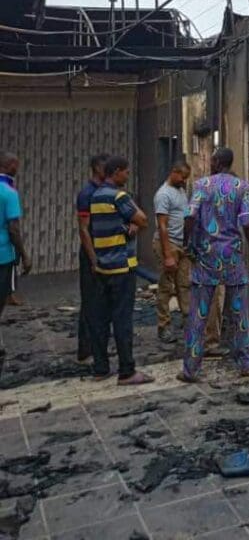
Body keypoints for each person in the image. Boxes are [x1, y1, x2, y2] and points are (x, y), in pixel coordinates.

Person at [178, 147, 249, 382]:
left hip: (205, 260)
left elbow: (190, 216)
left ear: (217, 162)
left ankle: (190, 369)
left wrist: (187, 244)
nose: (210, 163)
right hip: (233, 259)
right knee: (240, 314)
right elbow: (247, 222)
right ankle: (245, 365)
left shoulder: (201, 185)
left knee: (198, 316)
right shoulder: (242, 187)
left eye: (212, 160)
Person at [79, 155, 153, 385]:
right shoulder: (119, 196)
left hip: (103, 266)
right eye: (126, 172)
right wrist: (131, 221)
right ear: (117, 171)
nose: (127, 176)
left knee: (100, 319)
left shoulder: (95, 196)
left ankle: (101, 368)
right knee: (122, 320)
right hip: (122, 266)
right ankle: (127, 371)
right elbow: (143, 220)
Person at [75, 153, 110, 363]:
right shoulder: (87, 194)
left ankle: (98, 347)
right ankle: (85, 350)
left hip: (106, 251)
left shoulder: (105, 191)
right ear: (97, 167)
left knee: (102, 302)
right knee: (90, 301)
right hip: (93, 253)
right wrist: (93, 258)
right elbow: (83, 230)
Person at [153, 160, 192, 343]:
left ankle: (188, 321)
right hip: (168, 244)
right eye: (183, 177)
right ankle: (164, 326)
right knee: (166, 287)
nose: (184, 181)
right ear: (174, 172)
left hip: (181, 245)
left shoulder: (181, 191)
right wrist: (167, 254)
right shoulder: (163, 194)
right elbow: (162, 225)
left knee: (184, 284)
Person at [0, 153, 31, 320]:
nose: (17, 169)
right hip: (3, 254)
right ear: (8, 165)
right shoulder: (9, 193)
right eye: (15, 165)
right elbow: (13, 229)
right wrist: (24, 255)